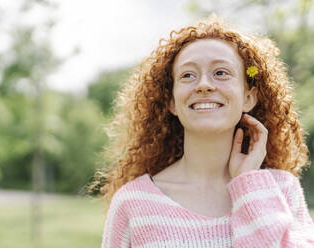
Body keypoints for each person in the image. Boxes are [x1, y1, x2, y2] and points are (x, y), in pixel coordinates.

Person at [88, 15, 314, 247]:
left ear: (248, 98)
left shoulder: (282, 190)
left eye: (221, 73)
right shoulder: (132, 202)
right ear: (172, 102)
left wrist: (249, 183)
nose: (204, 84)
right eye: (188, 75)